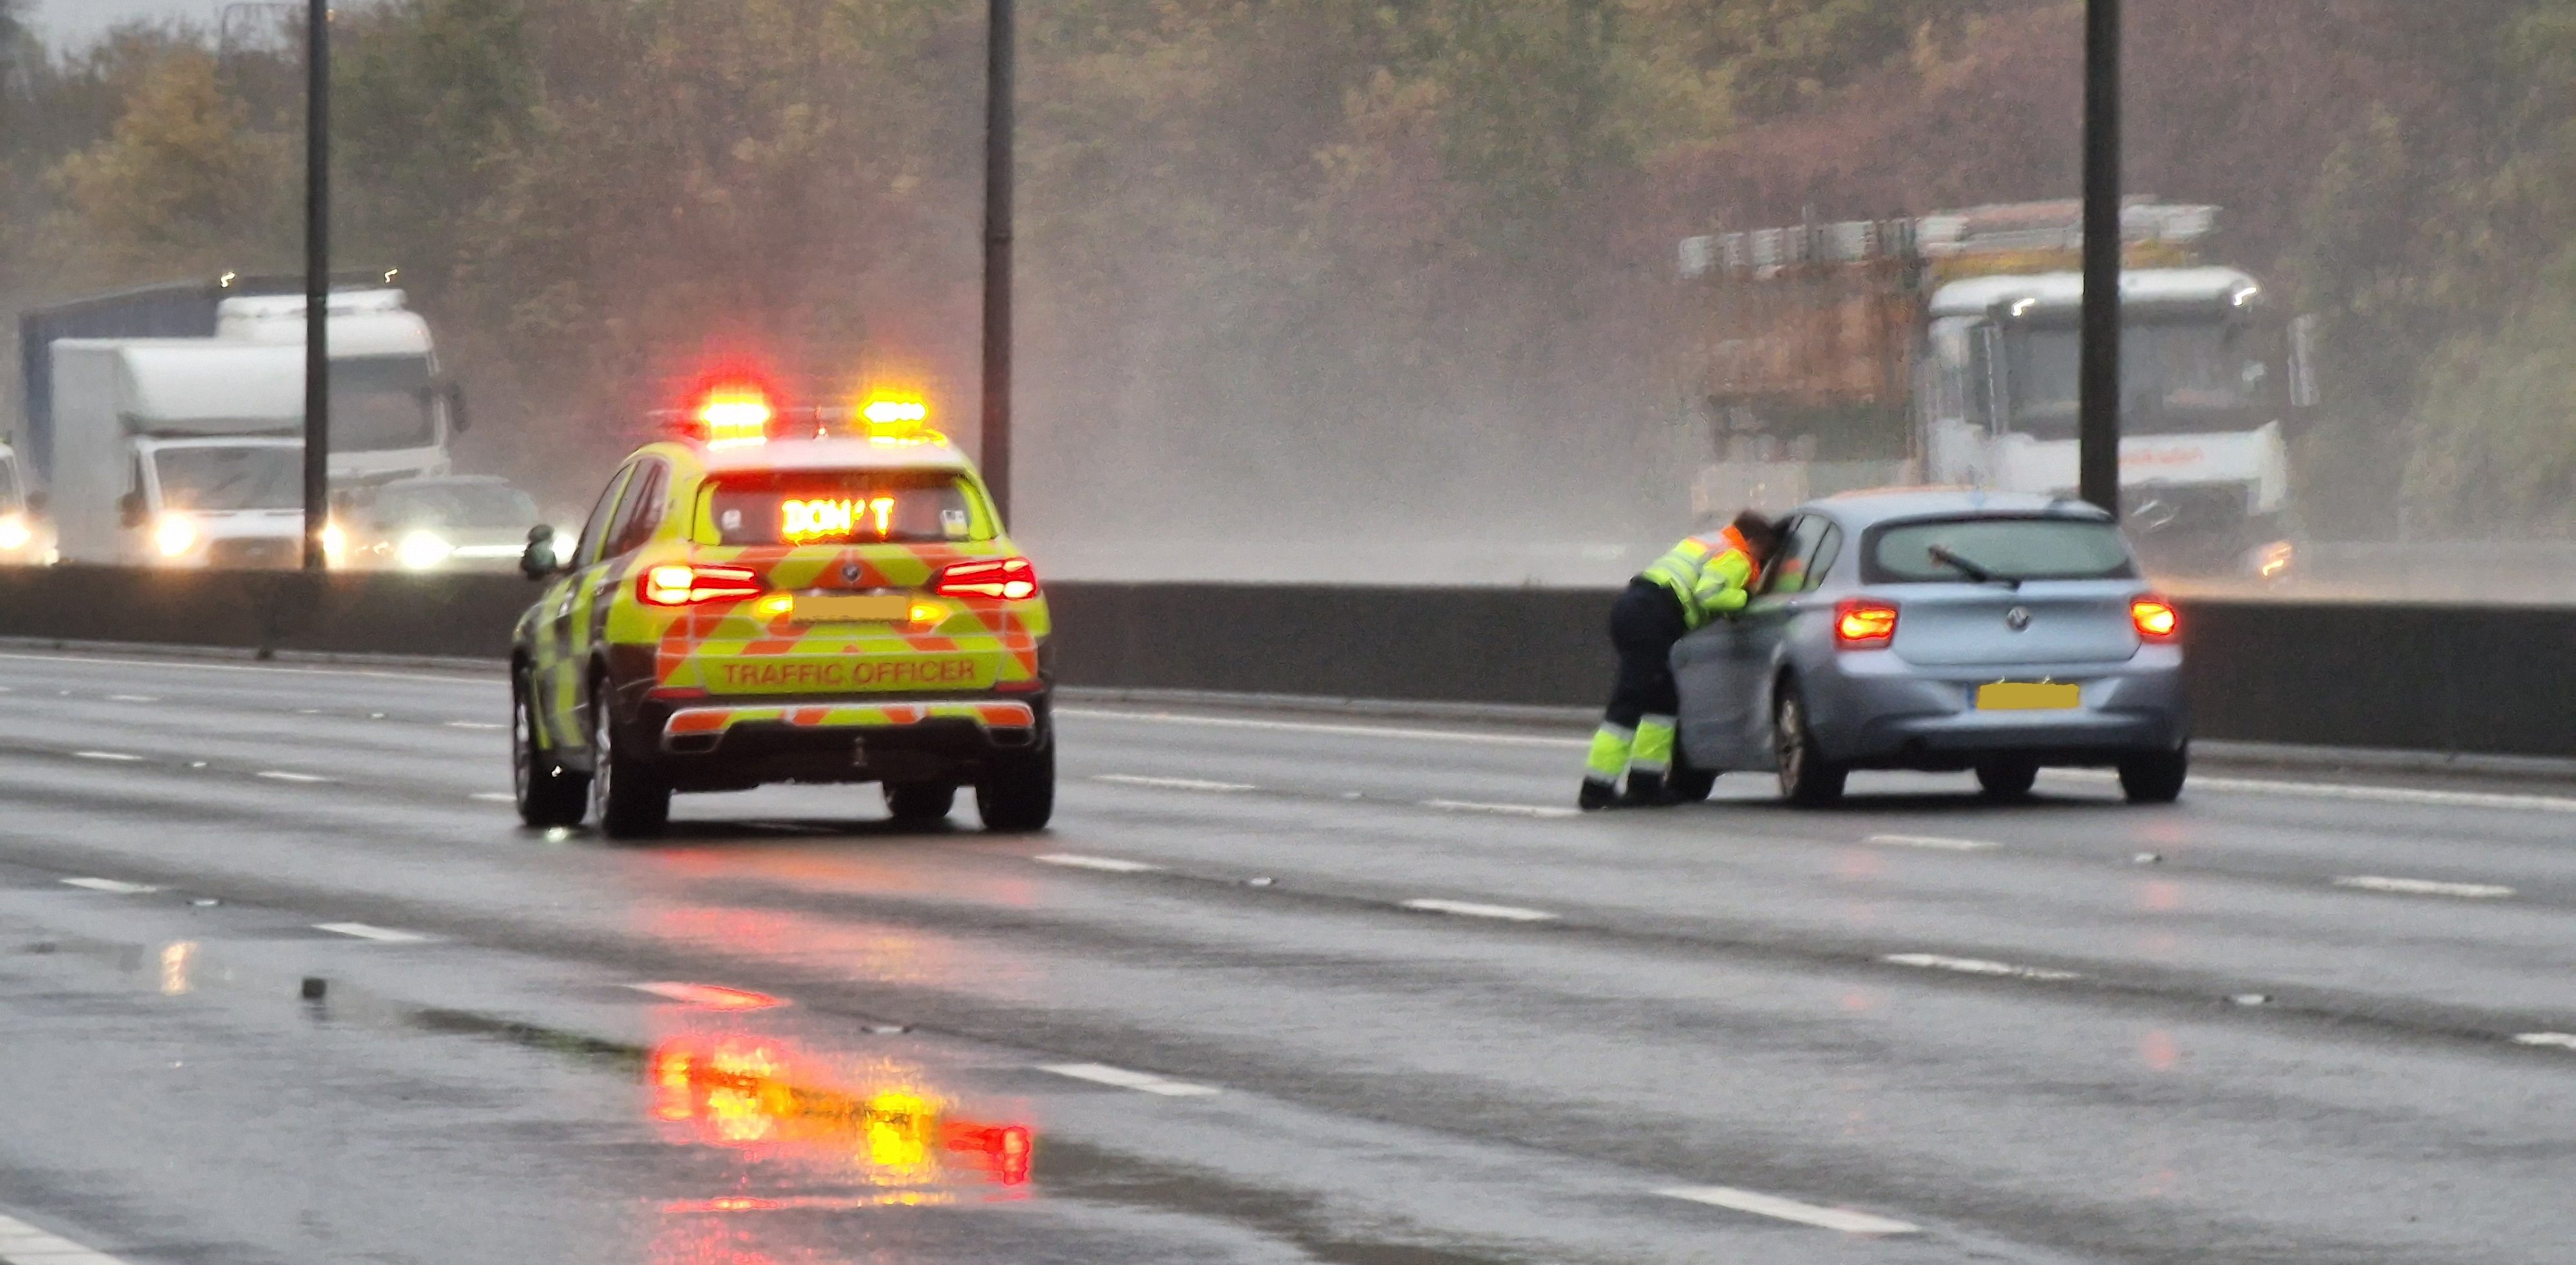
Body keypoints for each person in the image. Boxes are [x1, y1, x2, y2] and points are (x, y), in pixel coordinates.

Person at [1580, 510, 1783, 810]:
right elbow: (1709, 595)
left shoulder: (1708, 541)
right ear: (1753, 542)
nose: (1762, 562)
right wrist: (1746, 600)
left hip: (1635, 607)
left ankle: (1645, 785)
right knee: (1631, 699)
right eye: (1764, 553)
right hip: (1654, 615)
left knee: (1662, 701)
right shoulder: (1737, 557)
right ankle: (1596, 789)